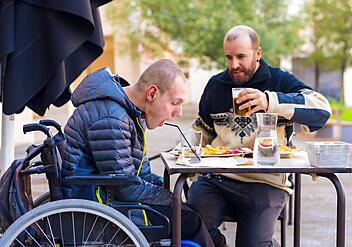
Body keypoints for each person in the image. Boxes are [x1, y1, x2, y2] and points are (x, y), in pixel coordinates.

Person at [188, 25, 332, 247]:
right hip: (218, 179)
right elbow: (202, 132)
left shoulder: (279, 80)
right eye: (229, 57)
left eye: (241, 57)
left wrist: (270, 102)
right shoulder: (216, 85)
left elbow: (322, 111)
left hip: (266, 181)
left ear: (258, 53)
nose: (234, 65)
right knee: (189, 226)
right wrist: (190, 166)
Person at [61, 59, 215, 247]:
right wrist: (170, 197)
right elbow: (124, 187)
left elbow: (138, 174)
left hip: (108, 196)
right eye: (175, 103)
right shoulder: (112, 117)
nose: (179, 112)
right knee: (191, 221)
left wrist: (163, 187)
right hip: (97, 206)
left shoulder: (127, 113)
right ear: (152, 93)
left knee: (190, 215)